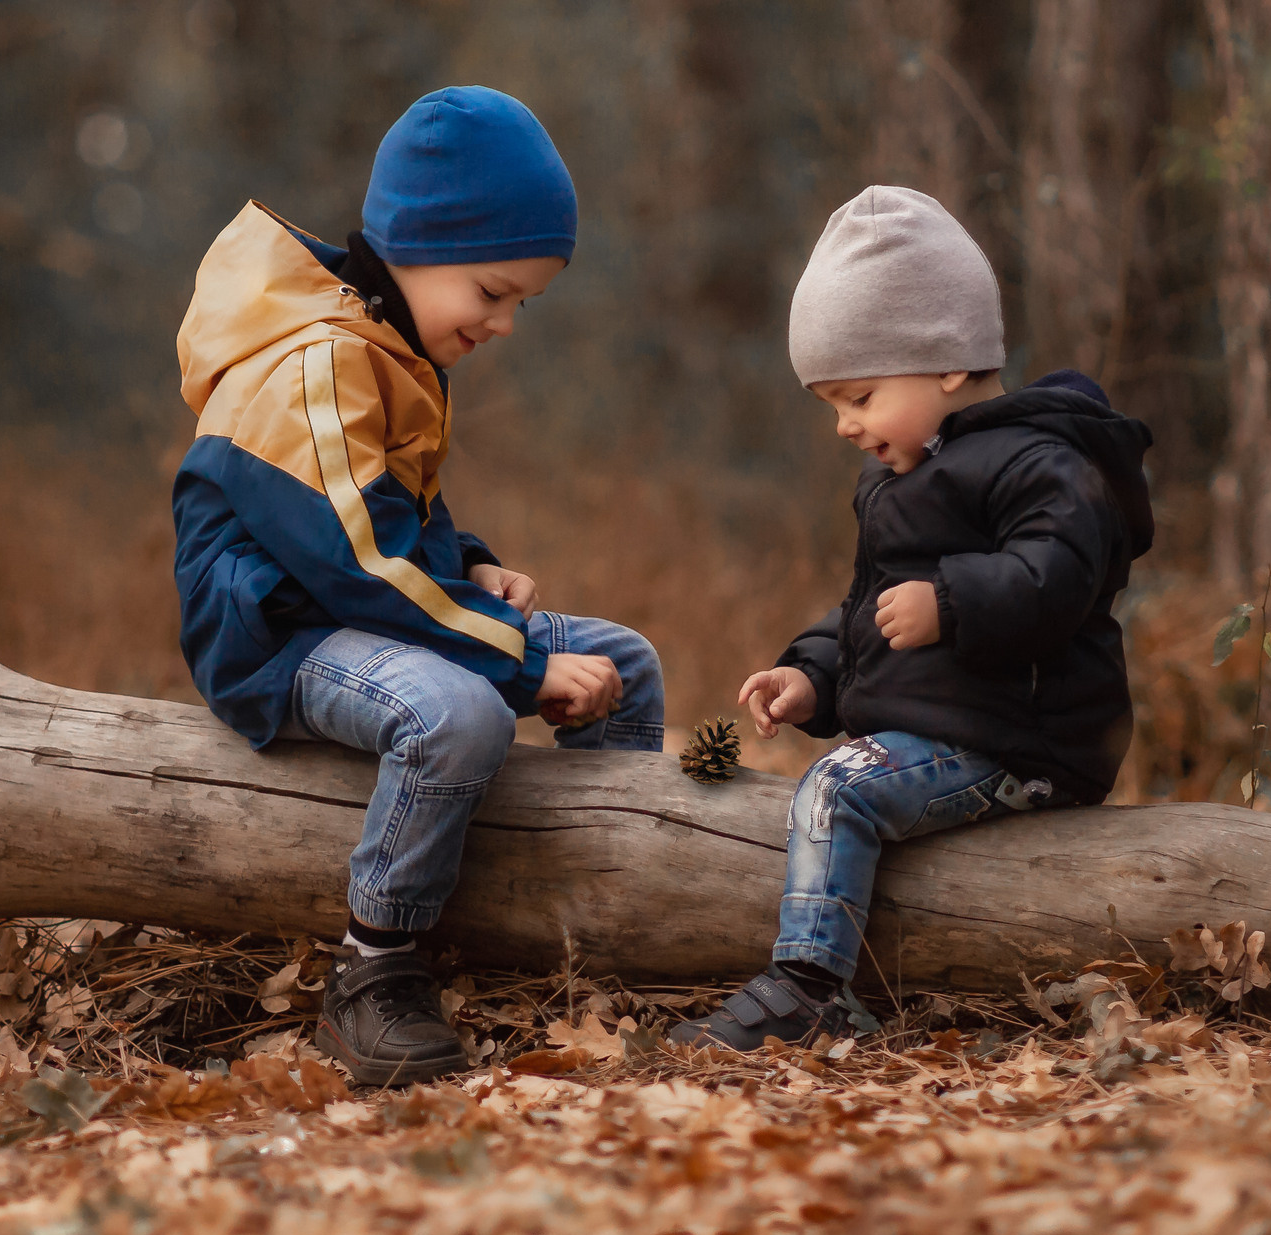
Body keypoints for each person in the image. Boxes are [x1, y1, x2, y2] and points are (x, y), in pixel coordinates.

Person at [173, 86, 663, 1085]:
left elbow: (396, 513)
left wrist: (471, 561)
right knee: (462, 714)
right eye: (492, 293)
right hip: (284, 638)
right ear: (422, 245)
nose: (506, 323)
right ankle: (375, 969)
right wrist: (521, 661)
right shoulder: (314, 361)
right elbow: (353, 556)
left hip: (362, 607)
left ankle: (590, 929)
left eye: (522, 301)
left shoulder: (385, 342)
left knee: (624, 661)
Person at [670, 185, 1153, 1050]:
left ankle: (811, 985)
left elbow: (1062, 575)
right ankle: (812, 976)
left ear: (946, 361)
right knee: (840, 773)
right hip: (955, 732)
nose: (846, 426)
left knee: (840, 787)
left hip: (1024, 741)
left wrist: (953, 601)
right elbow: (869, 612)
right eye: (833, 407)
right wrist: (811, 676)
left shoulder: (1041, 460)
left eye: (858, 396)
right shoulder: (906, 476)